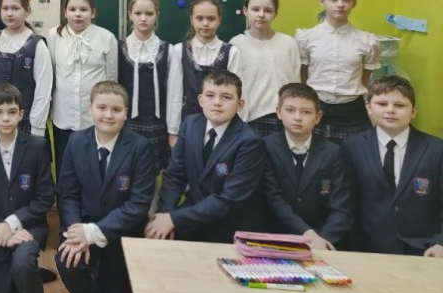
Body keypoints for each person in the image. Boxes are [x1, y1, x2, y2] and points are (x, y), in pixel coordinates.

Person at [56, 81, 155, 293]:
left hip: (121, 237)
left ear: (126, 112)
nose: (108, 115)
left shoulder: (141, 147)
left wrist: (93, 233)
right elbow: (67, 195)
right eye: (101, 108)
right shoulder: (76, 141)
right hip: (83, 229)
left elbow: (138, 204)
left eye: (116, 109)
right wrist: (76, 232)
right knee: (66, 258)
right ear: (90, 109)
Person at [149, 69, 266, 243]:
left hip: (230, 228)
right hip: (191, 217)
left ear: (240, 104)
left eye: (226, 97)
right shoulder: (190, 124)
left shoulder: (250, 142)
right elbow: (174, 176)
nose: (217, 103)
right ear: (200, 100)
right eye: (210, 95)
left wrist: (173, 219)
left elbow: (229, 200)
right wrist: (164, 216)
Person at [342, 76, 443, 257]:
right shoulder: (352, 146)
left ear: (414, 111)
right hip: (367, 248)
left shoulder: (436, 149)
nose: (390, 110)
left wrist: (440, 242)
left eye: (399, 105)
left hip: (424, 249)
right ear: (368, 108)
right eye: (382, 104)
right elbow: (346, 201)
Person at [0, 83, 54, 293]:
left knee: (22, 263)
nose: (5, 118)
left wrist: (12, 224)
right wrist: (2, 227)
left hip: (29, 227)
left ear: (21, 114)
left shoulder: (37, 146)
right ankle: (27, 278)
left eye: (12, 112)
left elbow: (45, 196)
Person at [264, 83, 351, 249]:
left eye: (306, 112)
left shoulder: (333, 152)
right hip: (276, 237)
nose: (297, 117)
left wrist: (323, 240)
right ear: (279, 112)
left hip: (322, 239)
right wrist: (308, 235)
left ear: (318, 116)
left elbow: (340, 206)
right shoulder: (265, 147)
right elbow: (273, 199)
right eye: (290, 110)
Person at [296, 0, 380, 143]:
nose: (340, 5)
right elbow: (303, 75)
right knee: (316, 156)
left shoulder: (366, 41)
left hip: (352, 110)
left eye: (346, 0)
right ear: (322, 1)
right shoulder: (307, 38)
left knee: (355, 155)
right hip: (316, 106)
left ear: (354, 3)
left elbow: (364, 78)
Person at [48, 0, 118, 179]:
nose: (77, 14)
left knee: (93, 170)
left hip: (94, 118)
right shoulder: (53, 36)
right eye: (72, 9)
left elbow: (112, 80)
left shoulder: (106, 38)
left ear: (93, 13)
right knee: (65, 170)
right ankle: (65, 199)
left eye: (83, 9)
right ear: (65, 12)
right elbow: (51, 74)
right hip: (63, 116)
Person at [165, 0, 241, 147]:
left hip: (222, 124)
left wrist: (237, 128)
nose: (205, 23)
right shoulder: (179, 50)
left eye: (211, 18)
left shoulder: (231, 52)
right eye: (199, 18)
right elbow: (174, 93)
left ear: (219, 20)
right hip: (187, 124)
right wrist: (173, 131)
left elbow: (236, 92)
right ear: (191, 20)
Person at [230, 0, 300, 137]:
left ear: (275, 14)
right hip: (252, 119)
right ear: (245, 11)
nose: (261, 15)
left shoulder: (289, 43)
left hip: (287, 118)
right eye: (255, 9)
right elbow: (234, 86)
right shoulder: (236, 44)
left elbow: (296, 81)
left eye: (268, 10)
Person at [118, 0, 171, 173]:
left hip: (157, 122)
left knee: (154, 172)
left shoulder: (168, 50)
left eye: (149, 13)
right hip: (126, 122)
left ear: (157, 15)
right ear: (130, 14)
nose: (143, 18)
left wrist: (172, 128)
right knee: (126, 170)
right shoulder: (119, 47)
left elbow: (172, 92)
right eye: (138, 13)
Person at [0, 0, 53, 137]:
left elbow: (43, 90)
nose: (9, 13)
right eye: (5, 8)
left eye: (15, 8)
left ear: (27, 11)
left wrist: (37, 127)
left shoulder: (37, 44)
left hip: (27, 123)